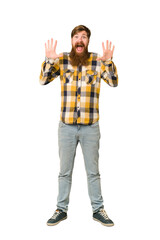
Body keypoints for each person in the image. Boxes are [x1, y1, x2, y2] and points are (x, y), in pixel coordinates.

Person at [39, 25, 118, 227]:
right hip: (66, 127)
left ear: (88, 41)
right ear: (72, 40)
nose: (80, 40)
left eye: (84, 37)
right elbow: (43, 80)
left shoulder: (98, 60)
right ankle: (61, 209)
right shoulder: (62, 59)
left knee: (93, 172)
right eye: (76, 37)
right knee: (64, 171)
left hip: (91, 127)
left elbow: (113, 82)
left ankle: (98, 209)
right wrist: (49, 59)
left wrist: (108, 61)